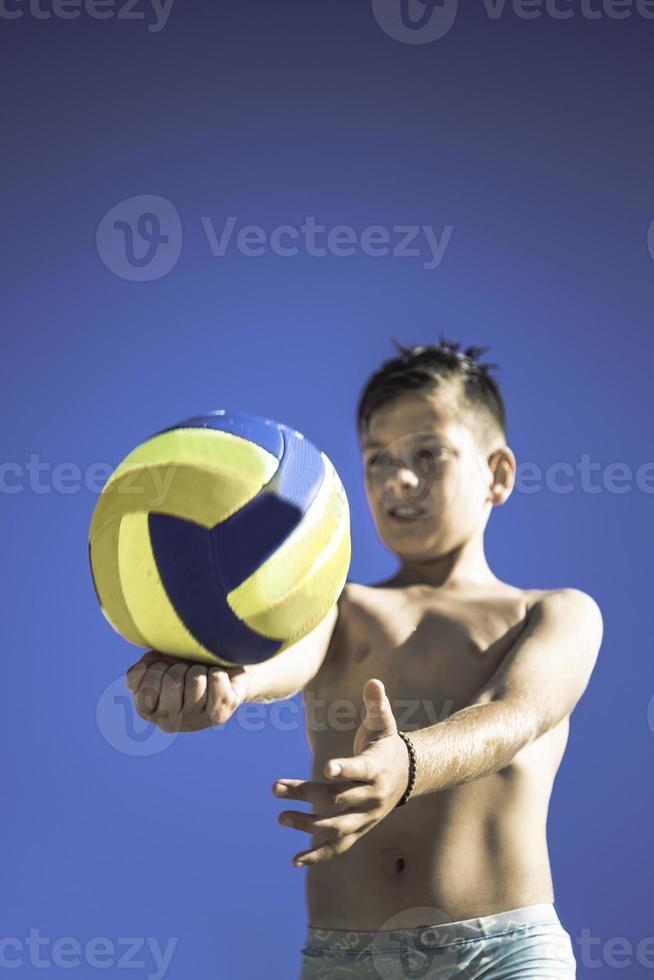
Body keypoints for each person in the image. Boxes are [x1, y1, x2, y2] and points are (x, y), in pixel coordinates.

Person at [125, 338, 603, 979]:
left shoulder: (557, 612)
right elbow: (280, 661)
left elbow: (515, 714)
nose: (397, 480)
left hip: (504, 953)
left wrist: (406, 765)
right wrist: (220, 687)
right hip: (345, 958)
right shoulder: (336, 606)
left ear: (498, 474)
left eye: (427, 455)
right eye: (377, 459)